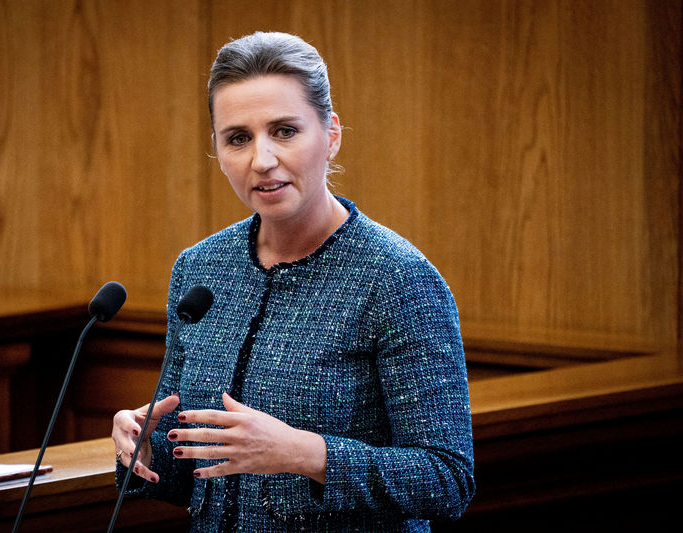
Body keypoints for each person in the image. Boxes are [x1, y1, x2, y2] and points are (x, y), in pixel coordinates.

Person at [112, 31, 475, 532]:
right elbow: (186, 482)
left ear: (331, 135)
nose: (261, 160)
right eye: (237, 138)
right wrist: (143, 448)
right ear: (217, 150)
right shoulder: (200, 269)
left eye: (284, 131)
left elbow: (447, 480)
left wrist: (306, 453)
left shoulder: (396, 278)